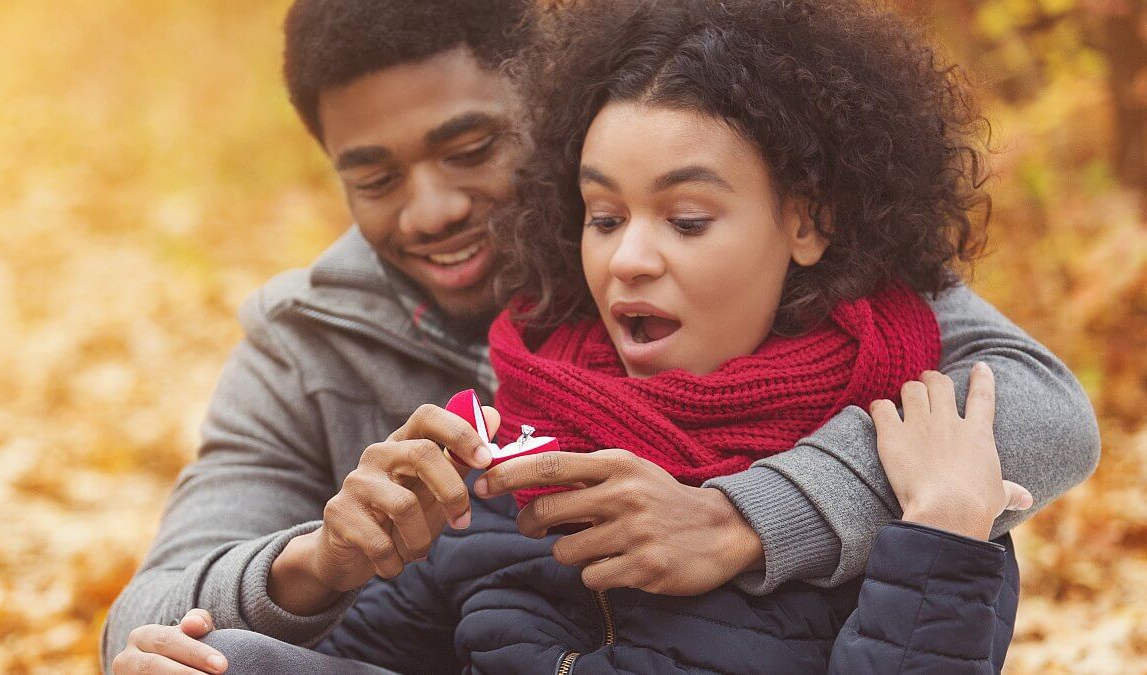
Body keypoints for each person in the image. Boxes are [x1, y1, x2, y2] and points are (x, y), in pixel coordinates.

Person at [102, 0, 1100, 673]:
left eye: (471, 146)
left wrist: (741, 520)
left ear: (549, 115)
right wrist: (316, 567)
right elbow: (142, 624)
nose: (432, 208)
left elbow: (1036, 411)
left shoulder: (831, 312)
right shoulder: (307, 344)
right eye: (375, 177)